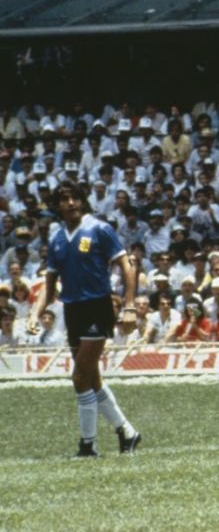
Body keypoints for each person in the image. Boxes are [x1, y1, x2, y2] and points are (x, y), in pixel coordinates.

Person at [26, 181, 141, 458]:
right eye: (64, 200)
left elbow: (128, 265)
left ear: (82, 201)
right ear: (58, 206)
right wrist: (34, 313)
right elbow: (50, 284)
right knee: (92, 378)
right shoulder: (56, 239)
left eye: (75, 198)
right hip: (72, 310)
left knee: (79, 376)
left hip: (97, 307)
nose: (70, 203)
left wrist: (128, 305)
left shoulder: (100, 229)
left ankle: (88, 445)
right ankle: (127, 433)